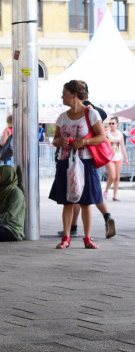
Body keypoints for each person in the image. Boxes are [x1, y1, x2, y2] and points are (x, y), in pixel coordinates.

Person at [49, 80, 106, 249]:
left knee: (86, 201)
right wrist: (60, 141)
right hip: (65, 162)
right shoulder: (62, 117)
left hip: (86, 162)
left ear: (74, 94)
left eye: (65, 93)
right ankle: (66, 237)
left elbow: (102, 137)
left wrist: (84, 141)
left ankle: (87, 238)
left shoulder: (91, 114)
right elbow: (55, 141)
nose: (62, 97)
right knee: (67, 201)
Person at [104, 116, 129, 201]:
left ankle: (115, 195)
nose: (111, 125)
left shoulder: (120, 134)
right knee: (112, 176)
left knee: (117, 177)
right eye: (110, 123)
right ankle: (106, 191)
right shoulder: (107, 133)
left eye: (113, 123)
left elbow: (122, 147)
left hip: (118, 157)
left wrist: (126, 158)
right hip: (109, 157)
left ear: (117, 124)